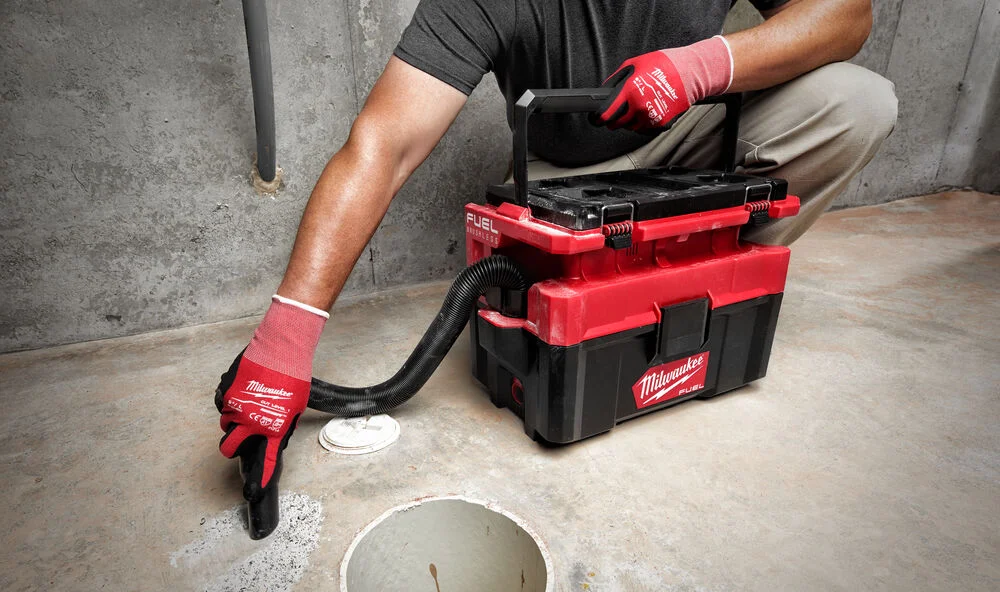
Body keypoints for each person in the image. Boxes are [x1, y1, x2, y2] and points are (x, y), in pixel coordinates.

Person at [216, 0, 897, 501]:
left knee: (858, 103)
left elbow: (848, 14)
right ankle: (632, 301)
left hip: (684, 138)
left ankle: (708, 293)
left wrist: (703, 66)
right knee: (543, 269)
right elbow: (382, 144)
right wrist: (284, 341)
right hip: (560, 180)